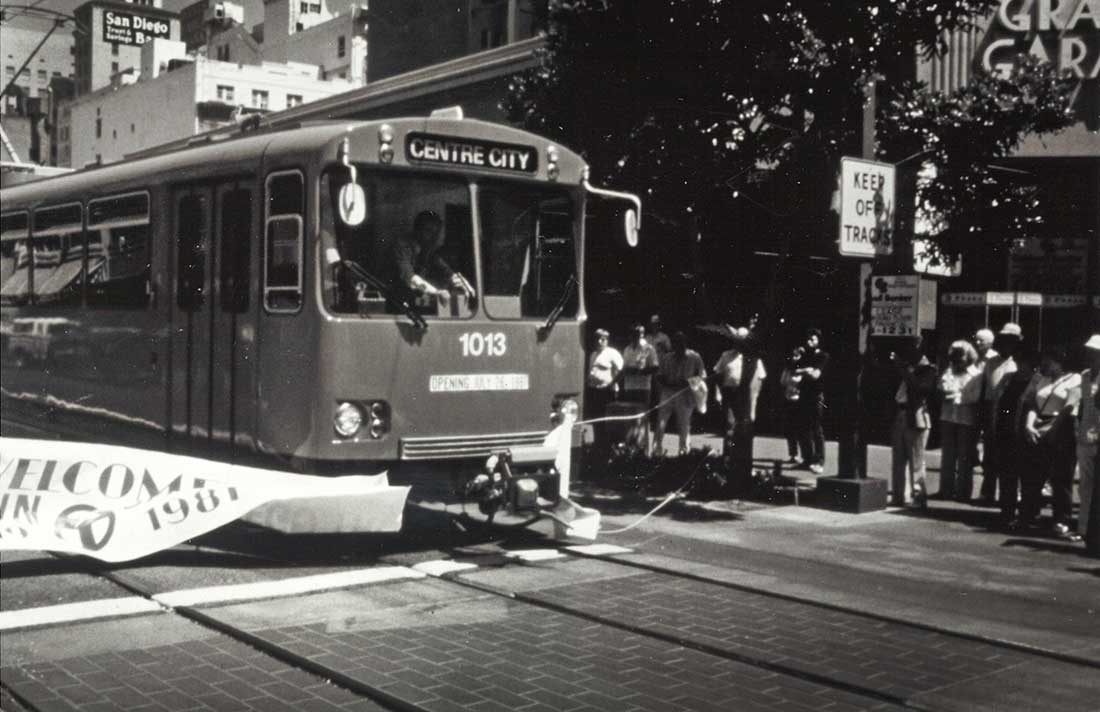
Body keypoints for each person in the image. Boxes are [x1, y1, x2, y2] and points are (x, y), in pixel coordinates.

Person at [1016, 345, 1081, 538]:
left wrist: (1053, 429)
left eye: (1049, 361)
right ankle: (1028, 515)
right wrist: (1029, 425)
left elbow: (1069, 407)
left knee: (1061, 477)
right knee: (1033, 474)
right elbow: (1032, 404)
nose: (1045, 364)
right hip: (1038, 426)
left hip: (1062, 428)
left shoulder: (1075, 379)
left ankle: (1062, 519)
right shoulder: (1041, 379)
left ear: (1060, 362)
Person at [713, 327, 767, 485]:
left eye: (743, 340)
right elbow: (718, 374)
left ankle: (743, 467)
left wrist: (754, 401)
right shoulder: (726, 355)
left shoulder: (753, 358)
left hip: (745, 396)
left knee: (745, 430)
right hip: (730, 394)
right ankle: (727, 463)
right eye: (737, 340)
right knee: (730, 428)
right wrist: (717, 393)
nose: (740, 343)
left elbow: (760, 379)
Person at [976, 323, 1022, 506]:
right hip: (990, 408)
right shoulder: (991, 362)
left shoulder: (1018, 363)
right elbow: (985, 387)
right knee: (990, 453)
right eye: (1003, 340)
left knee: (1010, 454)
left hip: (1010, 410)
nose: (1006, 345)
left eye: (1011, 341)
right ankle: (987, 492)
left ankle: (1013, 492)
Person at [389, 210, 475, 307]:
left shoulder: (428, 250)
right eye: (428, 231)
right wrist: (436, 292)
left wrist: (464, 285)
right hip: (394, 306)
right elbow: (410, 279)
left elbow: (446, 271)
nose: (433, 237)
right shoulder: (402, 246)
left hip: (412, 305)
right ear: (417, 230)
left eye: (436, 232)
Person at [890, 337, 937, 507]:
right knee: (898, 459)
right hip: (901, 413)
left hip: (916, 416)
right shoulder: (905, 368)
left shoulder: (929, 369)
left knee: (916, 460)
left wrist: (903, 369)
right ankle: (899, 495)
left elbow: (919, 389)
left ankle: (919, 496)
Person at [993, 349, 1037, 528]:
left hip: (1023, 432)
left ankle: (1027, 514)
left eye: (1023, 362)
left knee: (1027, 475)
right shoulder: (1008, 378)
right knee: (1006, 473)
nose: (1020, 365)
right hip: (1005, 431)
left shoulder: (1036, 380)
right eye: (1018, 361)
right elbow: (997, 400)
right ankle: (1007, 512)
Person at [937, 340, 983, 502]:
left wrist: (955, 396)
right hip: (948, 417)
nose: (958, 360)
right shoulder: (949, 371)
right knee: (947, 455)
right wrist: (957, 395)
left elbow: (974, 397)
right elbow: (942, 387)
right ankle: (946, 490)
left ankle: (963, 492)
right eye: (955, 356)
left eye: (961, 356)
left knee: (965, 457)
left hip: (966, 419)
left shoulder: (976, 375)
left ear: (969, 357)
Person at [653, 330, 706, 456]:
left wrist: (689, 383)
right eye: (676, 343)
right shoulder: (667, 358)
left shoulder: (695, 357)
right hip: (668, 393)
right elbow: (659, 375)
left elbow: (702, 376)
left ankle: (684, 454)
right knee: (661, 423)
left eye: (681, 343)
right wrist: (666, 382)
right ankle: (656, 452)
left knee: (684, 425)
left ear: (685, 344)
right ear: (673, 344)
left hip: (685, 394)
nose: (678, 346)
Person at [1072, 335, 1100, 544]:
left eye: (1095, 353)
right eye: (1090, 352)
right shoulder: (1084, 375)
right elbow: (1082, 404)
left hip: (1098, 437)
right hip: (1084, 434)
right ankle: (1083, 528)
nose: (1092, 356)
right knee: (1085, 485)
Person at [795, 328, 829, 474]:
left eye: (813, 339)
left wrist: (805, 370)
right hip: (804, 394)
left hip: (816, 395)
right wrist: (805, 368)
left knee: (816, 428)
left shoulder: (823, 356)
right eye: (808, 338)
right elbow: (794, 370)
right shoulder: (804, 355)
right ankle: (807, 459)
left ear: (818, 341)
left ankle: (819, 461)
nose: (810, 341)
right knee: (803, 427)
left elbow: (816, 374)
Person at [971, 327, 997, 504]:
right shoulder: (973, 358)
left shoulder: (993, 359)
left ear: (990, 342)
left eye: (981, 340)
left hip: (992, 406)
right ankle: (985, 490)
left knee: (992, 450)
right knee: (978, 447)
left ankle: (989, 491)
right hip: (977, 405)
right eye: (976, 339)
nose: (977, 343)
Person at [586, 328, 623, 451]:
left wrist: (612, 383)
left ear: (607, 340)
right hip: (595, 391)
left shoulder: (612, 353)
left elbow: (622, 370)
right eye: (598, 338)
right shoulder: (593, 354)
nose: (600, 341)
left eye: (603, 339)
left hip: (608, 392)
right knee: (597, 419)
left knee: (608, 421)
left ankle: (610, 447)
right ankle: (598, 444)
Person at [779, 347, 805, 464]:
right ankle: (793, 454)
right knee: (790, 429)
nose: (795, 358)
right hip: (789, 400)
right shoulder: (788, 369)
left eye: (797, 356)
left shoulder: (803, 371)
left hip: (800, 401)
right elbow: (783, 382)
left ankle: (805, 455)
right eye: (793, 356)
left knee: (801, 429)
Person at [621, 324, 659, 403]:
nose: (634, 336)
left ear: (640, 334)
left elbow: (655, 368)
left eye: (636, 333)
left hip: (643, 388)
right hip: (629, 387)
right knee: (630, 413)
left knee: (642, 413)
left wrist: (639, 371)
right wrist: (627, 370)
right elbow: (624, 368)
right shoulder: (627, 349)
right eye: (632, 333)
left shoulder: (648, 348)